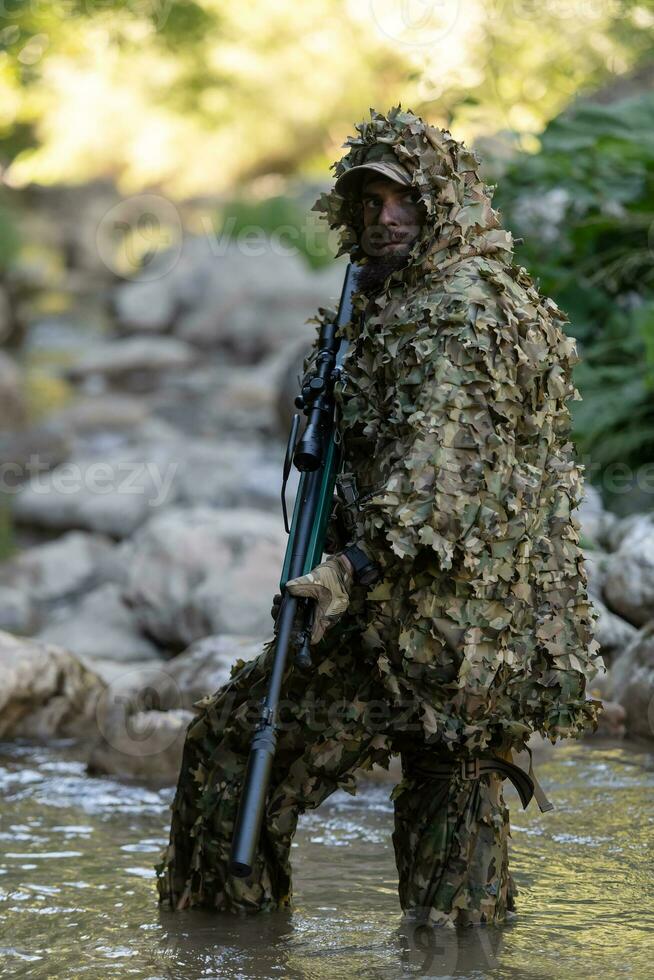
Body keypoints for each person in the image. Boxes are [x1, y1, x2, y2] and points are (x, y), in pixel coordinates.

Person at [156, 106, 603, 926]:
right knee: (243, 760)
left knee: (251, 764)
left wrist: (343, 571)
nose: (384, 217)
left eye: (403, 199)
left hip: (451, 633)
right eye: (368, 202)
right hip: (415, 624)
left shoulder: (467, 309)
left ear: (444, 202)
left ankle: (248, 952)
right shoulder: (389, 300)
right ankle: (236, 955)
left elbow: (445, 482)